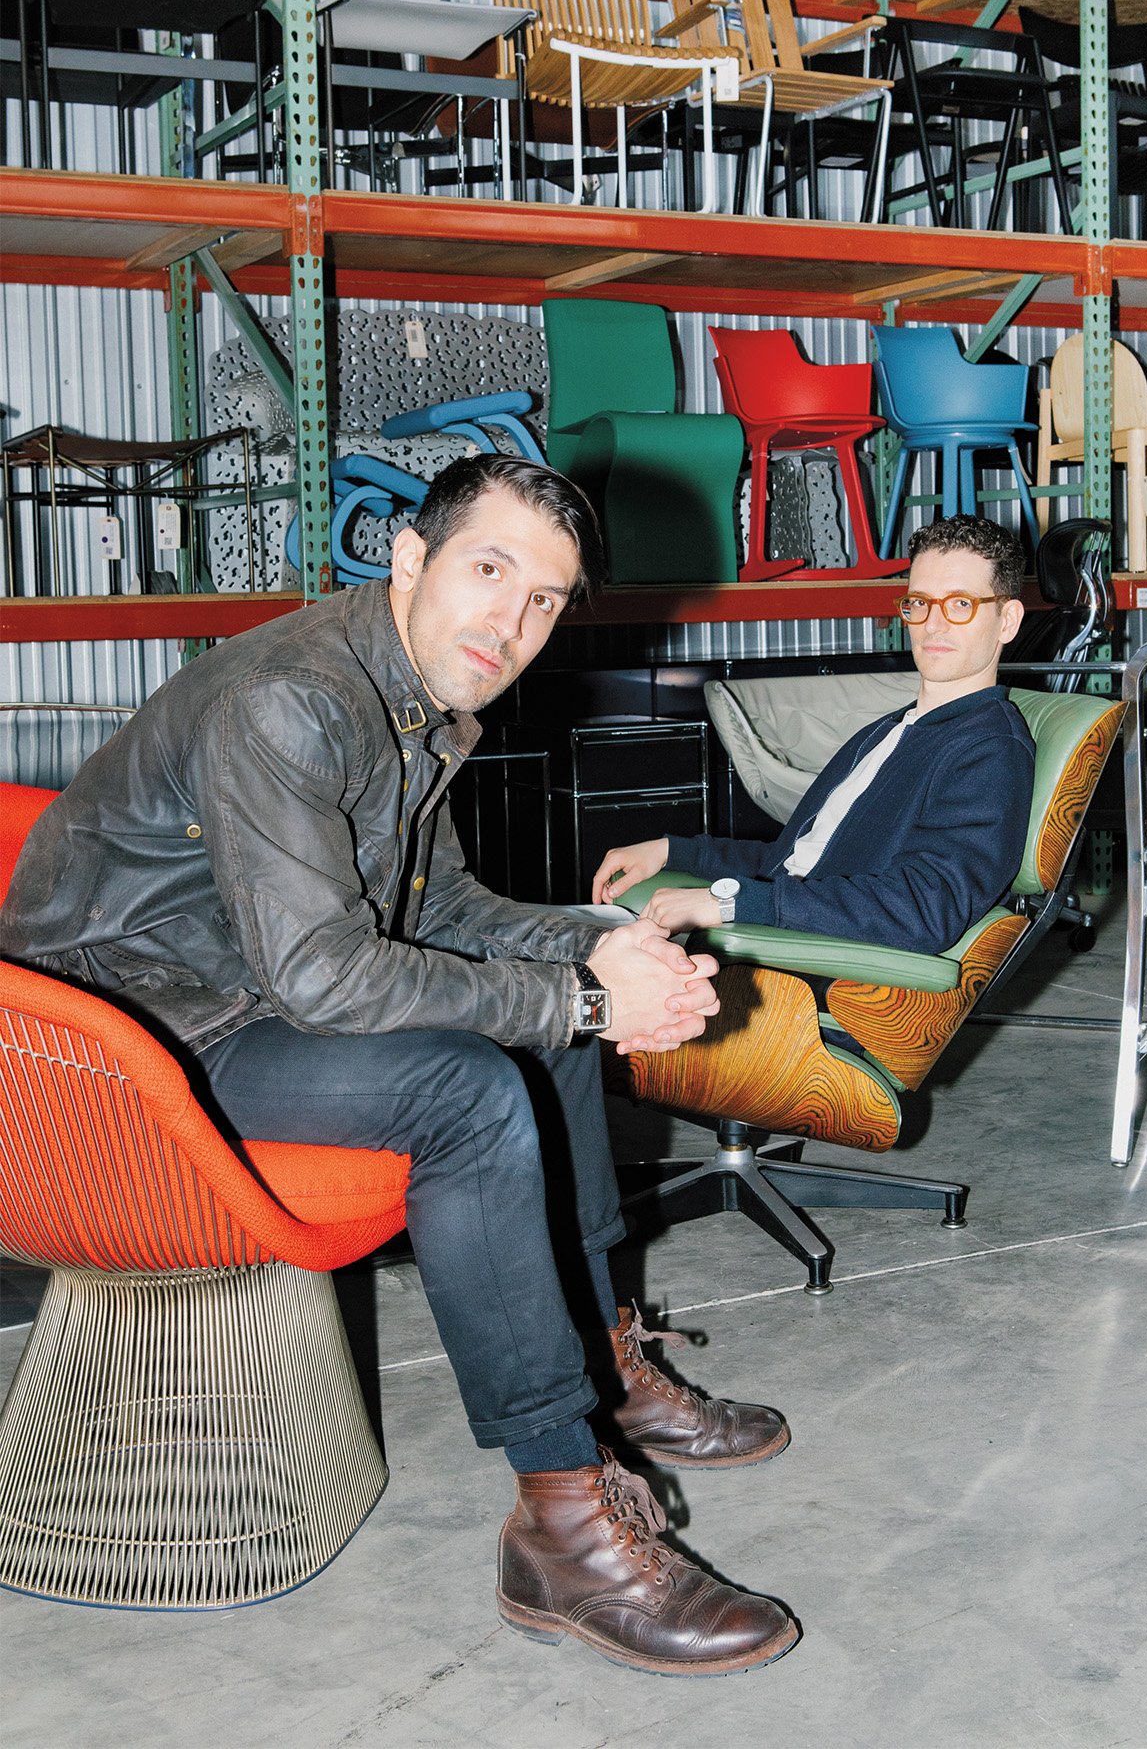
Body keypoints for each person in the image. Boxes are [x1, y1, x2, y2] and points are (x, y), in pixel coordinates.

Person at [0, 455, 798, 1678]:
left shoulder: (414, 692)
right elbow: (324, 975)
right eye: (489, 569)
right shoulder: (290, 698)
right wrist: (584, 994)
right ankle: (562, 1523)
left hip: (231, 992)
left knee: (551, 1027)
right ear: (409, 557)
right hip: (110, 1048)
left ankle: (601, 1363)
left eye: (543, 598)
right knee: (467, 1090)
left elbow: (450, 908)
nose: (510, 621)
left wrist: (599, 953)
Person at [593, 515, 1036, 953]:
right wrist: (672, 852)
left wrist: (729, 903)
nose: (932, 624)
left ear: (1007, 621)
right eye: (919, 602)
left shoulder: (990, 749)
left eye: (960, 604)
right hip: (795, 931)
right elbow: (792, 860)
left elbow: (925, 909)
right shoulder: (892, 730)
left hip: (825, 967)